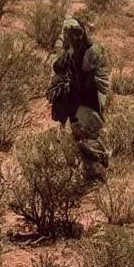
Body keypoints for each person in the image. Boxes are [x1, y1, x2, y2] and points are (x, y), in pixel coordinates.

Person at [47, 17, 110, 183]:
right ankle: (89, 173)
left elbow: (94, 77)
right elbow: (58, 67)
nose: (73, 37)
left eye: (76, 32)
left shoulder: (92, 50)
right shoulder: (69, 51)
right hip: (76, 100)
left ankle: (97, 173)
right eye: (69, 33)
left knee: (91, 134)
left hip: (90, 99)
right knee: (79, 135)